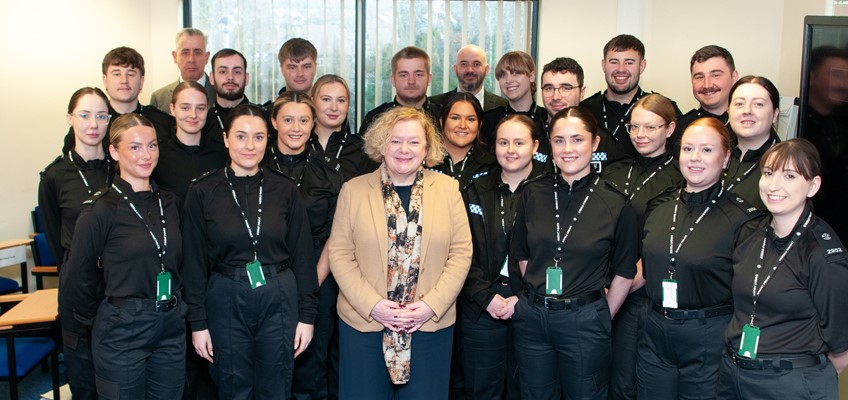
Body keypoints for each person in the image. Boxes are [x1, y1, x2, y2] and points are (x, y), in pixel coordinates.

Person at [328, 107, 472, 400]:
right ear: (381, 144)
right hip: (365, 325)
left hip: (428, 324)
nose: (404, 149)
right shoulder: (353, 191)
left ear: (427, 147)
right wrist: (374, 306)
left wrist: (432, 305)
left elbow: (461, 253)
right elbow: (340, 254)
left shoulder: (448, 189)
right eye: (395, 141)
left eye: (414, 142)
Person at [182, 104, 318, 399]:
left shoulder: (285, 189)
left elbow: (303, 257)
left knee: (276, 385)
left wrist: (307, 317)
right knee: (232, 385)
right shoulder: (203, 191)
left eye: (258, 137)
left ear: (267, 140)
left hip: (279, 295)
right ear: (226, 139)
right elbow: (192, 264)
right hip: (225, 294)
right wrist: (198, 323)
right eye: (241, 136)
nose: (249, 145)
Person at [510, 107, 638, 400]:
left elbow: (624, 271)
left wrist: (602, 315)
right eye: (559, 140)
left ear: (594, 144)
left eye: (577, 140)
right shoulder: (532, 193)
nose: (568, 149)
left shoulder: (616, 203)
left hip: (584, 320)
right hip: (533, 317)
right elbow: (522, 254)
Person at [63, 113, 187, 399]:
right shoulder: (100, 209)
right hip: (122, 328)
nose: (146, 155)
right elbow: (77, 276)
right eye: (135, 147)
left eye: (152, 145)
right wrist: (105, 318)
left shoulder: (169, 203)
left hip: (170, 324)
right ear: (114, 151)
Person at [638, 118, 763, 400]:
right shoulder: (659, 209)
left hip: (708, 335)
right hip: (655, 329)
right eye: (688, 149)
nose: (695, 158)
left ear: (726, 157)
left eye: (707, 150)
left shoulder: (745, 220)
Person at [716, 139, 848, 400]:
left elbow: (842, 346)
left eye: (789, 176)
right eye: (768, 173)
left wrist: (805, 380)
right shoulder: (750, 233)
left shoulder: (821, 253)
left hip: (789, 383)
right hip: (734, 374)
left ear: (813, 186)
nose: (774, 185)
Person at [602, 94, 683, 400]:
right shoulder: (615, 170)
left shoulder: (678, 178)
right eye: (634, 127)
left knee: (625, 384)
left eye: (650, 127)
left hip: (636, 294)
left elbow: (659, 248)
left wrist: (619, 290)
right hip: (599, 288)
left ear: (670, 129)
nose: (640, 135)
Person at [265, 91, 343, 400]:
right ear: (274, 122)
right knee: (269, 364)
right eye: (287, 119)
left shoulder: (329, 174)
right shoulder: (257, 167)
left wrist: (310, 283)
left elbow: (336, 235)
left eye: (303, 120)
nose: (295, 128)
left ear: (313, 124)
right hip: (268, 277)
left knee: (311, 367)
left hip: (317, 277)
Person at [461, 114, 544, 400]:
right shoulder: (475, 191)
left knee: (529, 390)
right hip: (482, 307)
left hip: (534, 308)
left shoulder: (551, 191)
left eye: (519, 143)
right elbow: (460, 252)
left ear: (535, 146)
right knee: (482, 390)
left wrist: (522, 299)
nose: (510, 150)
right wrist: (486, 297)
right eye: (503, 142)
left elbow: (558, 254)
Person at [39, 87, 113, 400]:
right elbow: (55, 237)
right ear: (70, 119)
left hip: (117, 283)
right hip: (78, 286)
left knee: (115, 375)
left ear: (110, 120)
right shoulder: (54, 175)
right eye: (84, 115)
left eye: (101, 116)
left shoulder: (122, 167)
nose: (93, 124)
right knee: (83, 376)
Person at [582, 34, 682, 166]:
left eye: (629, 62)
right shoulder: (584, 111)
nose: (621, 69)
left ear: (642, 66)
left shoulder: (663, 109)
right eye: (614, 62)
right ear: (603, 65)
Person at [801, 46, 848, 242]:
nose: (844, 84)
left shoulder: (843, 121)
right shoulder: (801, 129)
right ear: (812, 77)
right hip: (812, 236)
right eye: (838, 75)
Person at [153, 81, 227, 204]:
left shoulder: (221, 155)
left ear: (207, 110)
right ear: (172, 109)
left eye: (200, 108)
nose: (193, 115)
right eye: (185, 108)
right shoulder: (158, 156)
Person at [725, 76, 781, 210]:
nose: (747, 111)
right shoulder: (713, 152)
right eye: (739, 104)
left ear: (775, 114)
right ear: (728, 111)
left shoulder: (785, 167)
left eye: (758, 104)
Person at [358, 46, 442, 136]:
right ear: (393, 80)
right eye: (403, 75)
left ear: (429, 79)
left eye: (418, 74)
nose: (411, 81)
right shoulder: (374, 119)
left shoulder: (444, 116)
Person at [310, 74, 378, 182]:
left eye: (341, 101)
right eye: (326, 99)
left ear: (348, 105)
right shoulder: (298, 145)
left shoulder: (363, 149)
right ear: (312, 102)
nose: (334, 108)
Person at [671, 45, 739, 151]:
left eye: (716, 75)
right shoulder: (679, 129)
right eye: (699, 77)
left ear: (734, 77)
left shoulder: (747, 127)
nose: (707, 85)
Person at [480, 51, 547, 154]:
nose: (508, 80)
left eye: (515, 73)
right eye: (502, 75)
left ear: (532, 76)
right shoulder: (489, 121)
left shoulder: (547, 119)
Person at [432, 92, 496, 189]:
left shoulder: (492, 166)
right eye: (455, 118)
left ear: (479, 125)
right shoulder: (425, 162)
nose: (462, 126)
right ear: (442, 122)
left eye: (470, 119)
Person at [150, 28, 215, 111]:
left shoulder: (220, 94)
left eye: (197, 52)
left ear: (206, 57)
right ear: (175, 57)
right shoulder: (159, 99)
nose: (191, 59)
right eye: (185, 53)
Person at [429, 44, 508, 112]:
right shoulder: (433, 105)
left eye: (476, 64)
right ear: (455, 69)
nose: (470, 70)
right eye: (464, 64)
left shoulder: (504, 106)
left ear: (486, 70)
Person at [203, 48, 254, 148]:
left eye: (237, 72)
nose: (230, 77)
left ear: (246, 78)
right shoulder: (203, 122)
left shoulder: (262, 118)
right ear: (212, 78)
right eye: (223, 71)